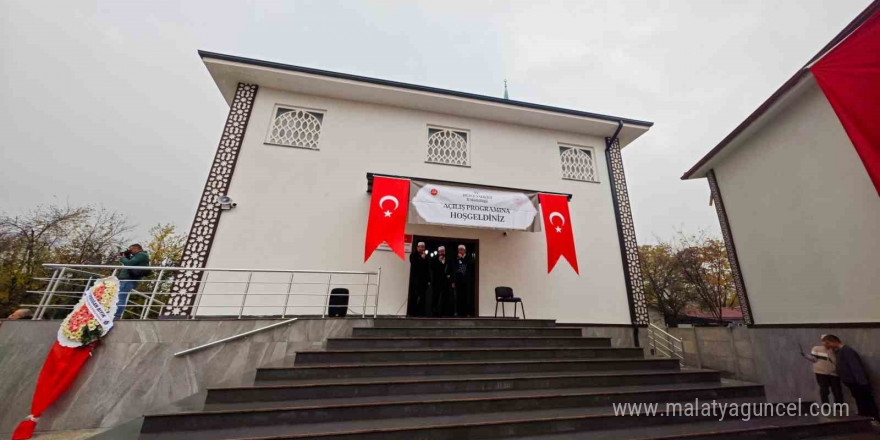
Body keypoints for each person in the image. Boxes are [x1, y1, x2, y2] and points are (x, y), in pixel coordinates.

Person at [822, 334, 879, 420]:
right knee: (860, 401)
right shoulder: (839, 351)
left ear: (833, 341)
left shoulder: (847, 351)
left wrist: (862, 383)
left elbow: (856, 367)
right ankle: (864, 417)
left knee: (867, 401)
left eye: (827, 343)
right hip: (852, 382)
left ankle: (874, 419)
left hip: (858, 382)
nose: (827, 346)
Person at [800, 337, 843, 405]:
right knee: (824, 390)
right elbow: (814, 359)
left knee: (837, 390)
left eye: (828, 341)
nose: (826, 343)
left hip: (833, 372)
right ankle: (826, 406)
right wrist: (805, 355)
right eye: (824, 341)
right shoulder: (816, 348)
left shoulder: (834, 349)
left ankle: (839, 406)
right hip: (821, 372)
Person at [115, 243, 150, 320]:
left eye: (131, 250)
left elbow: (129, 263)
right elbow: (130, 262)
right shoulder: (137, 256)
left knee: (121, 297)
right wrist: (126, 256)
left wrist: (122, 258)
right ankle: (115, 314)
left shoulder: (141, 255)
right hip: (126, 279)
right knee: (118, 296)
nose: (130, 251)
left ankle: (116, 316)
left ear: (136, 248)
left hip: (128, 279)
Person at [407, 242, 430, 317]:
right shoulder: (413, 255)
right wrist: (421, 258)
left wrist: (429, 280)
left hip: (424, 281)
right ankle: (411, 313)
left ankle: (421, 313)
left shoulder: (426, 256)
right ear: (417, 248)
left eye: (423, 247)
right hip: (415, 280)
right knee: (414, 296)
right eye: (420, 247)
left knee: (423, 297)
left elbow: (427, 269)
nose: (422, 248)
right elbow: (414, 264)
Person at [451, 244, 473, 317]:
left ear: (465, 250)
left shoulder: (468, 258)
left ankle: (466, 312)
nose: (460, 251)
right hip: (458, 280)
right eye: (459, 249)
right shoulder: (455, 259)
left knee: (466, 297)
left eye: (461, 249)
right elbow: (453, 270)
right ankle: (458, 312)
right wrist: (453, 281)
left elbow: (469, 265)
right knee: (458, 297)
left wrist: (462, 259)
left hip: (466, 281)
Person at [430, 246, 450, 317]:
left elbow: (450, 269)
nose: (442, 253)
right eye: (440, 251)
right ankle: (434, 313)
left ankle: (443, 313)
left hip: (445, 282)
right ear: (438, 252)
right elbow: (432, 268)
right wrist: (439, 261)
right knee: (435, 297)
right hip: (436, 282)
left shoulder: (448, 260)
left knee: (444, 298)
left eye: (443, 251)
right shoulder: (434, 260)